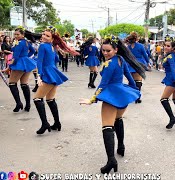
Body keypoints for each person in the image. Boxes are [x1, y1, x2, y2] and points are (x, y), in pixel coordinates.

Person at [79, 35, 146, 174]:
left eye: (108, 50)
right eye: (103, 50)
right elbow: (129, 77)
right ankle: (121, 146)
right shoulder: (121, 59)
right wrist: (134, 91)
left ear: (115, 49)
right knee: (118, 120)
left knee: (107, 126)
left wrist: (92, 99)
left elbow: (103, 84)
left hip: (111, 96)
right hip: (122, 95)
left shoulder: (109, 64)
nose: (105, 53)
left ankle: (111, 160)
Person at [33, 26, 78, 135]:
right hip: (54, 73)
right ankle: (57, 123)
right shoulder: (52, 46)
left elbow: (39, 62)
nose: (43, 36)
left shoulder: (43, 46)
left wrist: (38, 76)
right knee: (50, 99)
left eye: (47, 36)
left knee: (37, 99)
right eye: (43, 34)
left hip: (48, 74)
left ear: (52, 38)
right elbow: (56, 60)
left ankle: (45, 124)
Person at [2, 27, 37, 113]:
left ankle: (19, 103)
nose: (16, 36)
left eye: (18, 34)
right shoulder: (26, 42)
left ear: (23, 35)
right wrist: (26, 57)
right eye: (15, 34)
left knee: (12, 83)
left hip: (19, 64)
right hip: (26, 63)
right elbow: (33, 51)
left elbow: (16, 57)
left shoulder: (18, 43)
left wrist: (9, 66)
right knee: (24, 84)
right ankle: (28, 105)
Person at [127, 32, 149, 103]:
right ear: (136, 38)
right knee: (138, 81)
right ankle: (137, 97)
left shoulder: (128, 47)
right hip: (139, 63)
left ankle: (131, 96)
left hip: (130, 64)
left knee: (131, 81)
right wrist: (148, 62)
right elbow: (145, 55)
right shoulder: (140, 46)